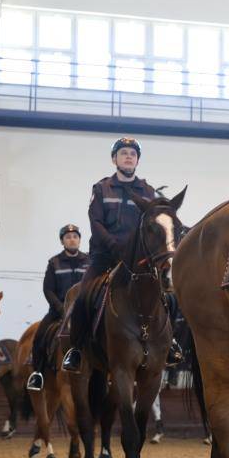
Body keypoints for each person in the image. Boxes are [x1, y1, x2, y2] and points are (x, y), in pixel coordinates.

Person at [62, 138, 156, 372]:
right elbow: (95, 222)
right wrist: (115, 246)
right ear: (114, 159)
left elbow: (152, 223)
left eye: (132, 154)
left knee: (166, 294)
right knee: (83, 296)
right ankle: (75, 350)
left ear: (137, 160)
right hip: (105, 256)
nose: (128, 157)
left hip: (138, 259)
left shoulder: (148, 191)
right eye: (123, 153)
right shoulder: (101, 188)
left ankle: (169, 343)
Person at [26, 224, 89, 391]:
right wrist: (61, 308)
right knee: (39, 336)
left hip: (84, 312)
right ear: (63, 241)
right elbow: (48, 289)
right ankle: (37, 375)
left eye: (75, 236)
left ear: (79, 240)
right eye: (68, 237)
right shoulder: (54, 263)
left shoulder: (89, 261)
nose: (72, 239)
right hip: (58, 312)